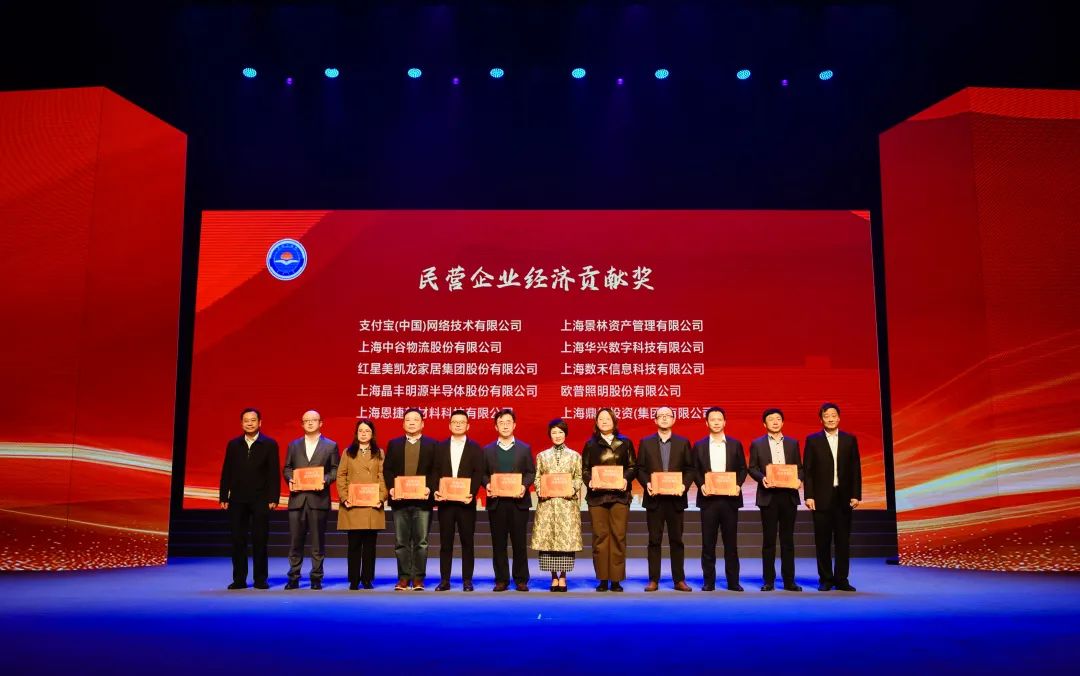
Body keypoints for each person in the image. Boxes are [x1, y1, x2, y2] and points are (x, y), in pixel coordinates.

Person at [219, 407, 280, 590]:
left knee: (260, 539)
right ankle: (239, 579)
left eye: (253, 420)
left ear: (260, 423)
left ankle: (260, 579)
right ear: (241, 424)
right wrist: (223, 495)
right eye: (246, 421)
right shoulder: (233, 444)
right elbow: (227, 471)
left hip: (261, 498)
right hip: (237, 499)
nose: (250, 423)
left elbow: (273, 473)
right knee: (238, 540)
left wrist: (273, 497)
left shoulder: (269, 444)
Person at [803, 402, 862, 592]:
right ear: (821, 420)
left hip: (843, 497)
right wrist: (809, 495)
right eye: (826, 416)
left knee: (843, 540)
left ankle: (842, 579)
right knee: (823, 541)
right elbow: (808, 471)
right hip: (821, 498)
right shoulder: (813, 440)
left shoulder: (849, 439)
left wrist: (856, 494)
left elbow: (855, 468)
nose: (830, 419)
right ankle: (826, 579)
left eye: (833, 415)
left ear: (839, 418)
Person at [638, 406, 695, 592]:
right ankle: (653, 580)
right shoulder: (646, 442)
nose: (664, 418)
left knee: (677, 541)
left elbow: (690, 469)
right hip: (654, 499)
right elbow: (640, 469)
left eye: (667, 415)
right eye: (660, 416)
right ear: (655, 420)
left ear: (673, 419)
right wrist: (647, 483)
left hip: (675, 499)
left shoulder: (683, 442)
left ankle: (679, 580)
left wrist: (683, 485)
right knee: (654, 540)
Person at [581, 407, 637, 592]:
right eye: (600, 419)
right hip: (597, 497)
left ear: (614, 421)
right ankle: (603, 579)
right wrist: (590, 481)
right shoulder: (590, 444)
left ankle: (616, 579)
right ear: (596, 423)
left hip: (619, 496)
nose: (604, 421)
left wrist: (625, 479)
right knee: (600, 537)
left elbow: (632, 467)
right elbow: (585, 469)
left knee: (618, 536)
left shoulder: (625, 442)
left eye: (607, 418)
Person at [282, 410, 340, 590]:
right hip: (297, 500)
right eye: (306, 420)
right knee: (295, 541)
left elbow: (335, 470)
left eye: (313, 420)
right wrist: (290, 479)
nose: (309, 423)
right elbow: (287, 468)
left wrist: (325, 480)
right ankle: (293, 576)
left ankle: (316, 577)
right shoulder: (294, 445)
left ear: (320, 423)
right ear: (302, 424)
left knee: (317, 542)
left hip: (318, 500)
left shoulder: (330, 445)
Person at [748, 407, 803, 592]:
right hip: (768, 497)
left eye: (778, 418)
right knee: (769, 541)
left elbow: (800, 468)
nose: (775, 421)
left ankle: (789, 581)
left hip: (788, 496)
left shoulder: (793, 443)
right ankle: (768, 581)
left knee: (788, 540)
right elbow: (752, 468)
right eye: (771, 419)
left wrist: (799, 480)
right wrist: (762, 478)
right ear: (764, 424)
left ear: (783, 422)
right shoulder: (757, 444)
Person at [692, 406, 747, 592]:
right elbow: (694, 469)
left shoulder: (735, 444)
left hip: (730, 500)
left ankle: (733, 582)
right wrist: (701, 484)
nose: (716, 422)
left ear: (725, 422)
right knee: (708, 543)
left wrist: (738, 485)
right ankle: (709, 582)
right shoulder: (699, 445)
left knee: (731, 543)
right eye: (712, 419)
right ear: (706, 423)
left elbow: (742, 469)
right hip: (708, 500)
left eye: (719, 419)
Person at [481, 408, 535, 592]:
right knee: (499, 543)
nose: (505, 426)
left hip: (518, 502)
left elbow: (531, 472)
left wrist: (524, 486)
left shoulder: (524, 448)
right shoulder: (487, 450)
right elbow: (482, 473)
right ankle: (501, 579)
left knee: (519, 543)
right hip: (497, 503)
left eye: (508, 422)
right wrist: (487, 484)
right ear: (496, 427)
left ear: (514, 425)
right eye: (501, 423)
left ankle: (521, 579)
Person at [383, 407, 437, 591]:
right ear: (403, 424)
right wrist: (392, 488)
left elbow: (436, 471)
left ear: (422, 423)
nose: (412, 422)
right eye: (408, 420)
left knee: (421, 542)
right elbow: (388, 469)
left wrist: (429, 488)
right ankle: (404, 578)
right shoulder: (394, 444)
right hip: (400, 500)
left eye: (415, 419)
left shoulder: (432, 444)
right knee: (401, 542)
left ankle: (419, 578)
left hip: (423, 501)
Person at [432, 409, 485, 591]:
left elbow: (478, 472)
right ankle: (444, 580)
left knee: (467, 542)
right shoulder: (440, 447)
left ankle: (467, 580)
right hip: (445, 502)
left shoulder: (475, 447)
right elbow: (434, 471)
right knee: (445, 543)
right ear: (449, 425)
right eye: (455, 422)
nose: (458, 425)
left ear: (468, 426)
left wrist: (472, 492)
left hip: (466, 502)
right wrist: (436, 490)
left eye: (462, 422)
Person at [531, 418, 583, 592]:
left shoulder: (575, 456)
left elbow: (578, 477)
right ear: (549, 435)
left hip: (567, 504)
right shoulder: (542, 456)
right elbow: (537, 478)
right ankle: (553, 576)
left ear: (565, 434)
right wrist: (541, 490)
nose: (557, 435)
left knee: (565, 541)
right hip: (548, 504)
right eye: (554, 432)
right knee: (549, 541)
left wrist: (572, 488)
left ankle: (563, 576)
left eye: (560, 432)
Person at [337, 419, 388, 590]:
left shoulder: (379, 453)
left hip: (372, 505)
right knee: (354, 545)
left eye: (367, 431)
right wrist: (345, 497)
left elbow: (382, 476)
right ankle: (353, 579)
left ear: (372, 434)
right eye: (361, 431)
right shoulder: (348, 452)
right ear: (356, 434)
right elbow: (341, 476)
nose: (364, 433)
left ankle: (367, 578)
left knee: (370, 546)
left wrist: (381, 497)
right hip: (353, 505)